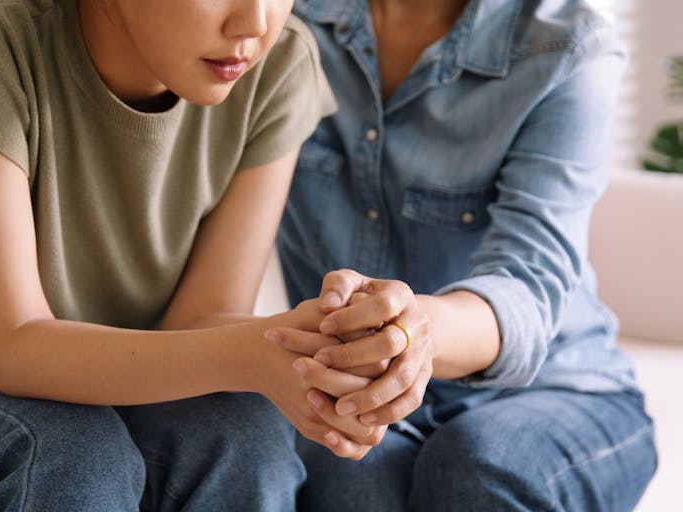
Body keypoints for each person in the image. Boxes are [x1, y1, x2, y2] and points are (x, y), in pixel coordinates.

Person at [0, 0, 389, 510]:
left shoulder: (278, 63)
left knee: (244, 432)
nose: (254, 23)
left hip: (106, 386)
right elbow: (13, 346)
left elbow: (201, 317)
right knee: (65, 451)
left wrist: (313, 342)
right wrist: (250, 353)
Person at [264, 0, 658, 510]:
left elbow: (528, 283)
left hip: (559, 388)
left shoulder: (569, 46)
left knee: (479, 467)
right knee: (353, 484)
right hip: (359, 395)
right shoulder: (279, 21)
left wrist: (412, 328)